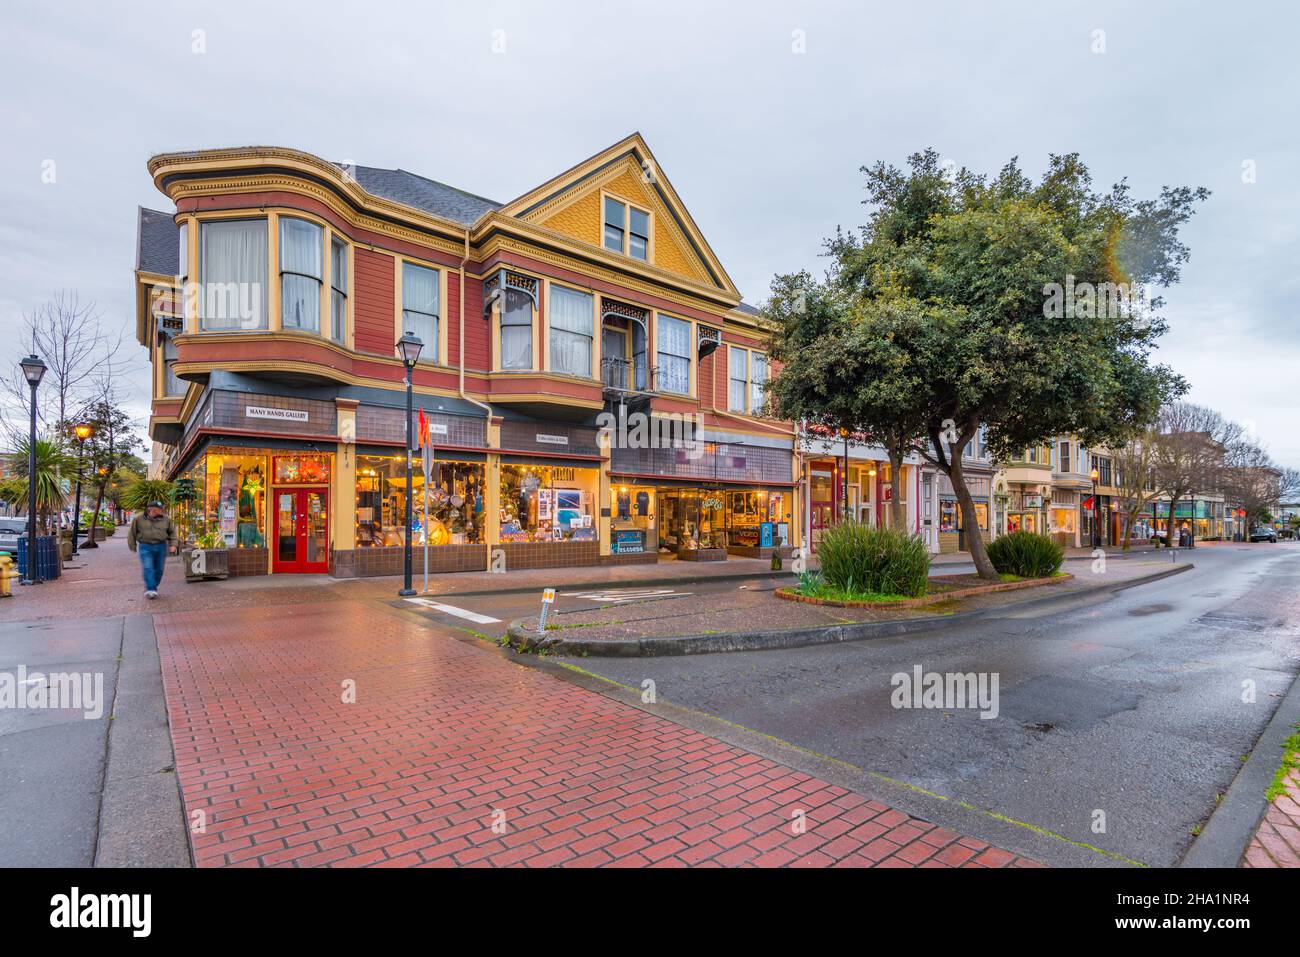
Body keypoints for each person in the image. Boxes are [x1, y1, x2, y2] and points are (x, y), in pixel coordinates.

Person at [127, 500, 177, 599]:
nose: (162, 510)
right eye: (160, 508)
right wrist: (132, 545)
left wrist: (173, 544)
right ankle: (151, 589)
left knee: (159, 570)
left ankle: (152, 586)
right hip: (145, 546)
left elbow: (172, 533)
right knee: (148, 567)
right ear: (151, 510)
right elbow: (131, 533)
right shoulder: (139, 518)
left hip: (161, 546)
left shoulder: (166, 519)